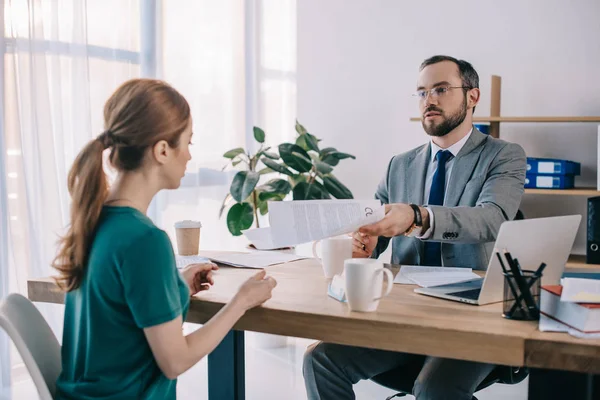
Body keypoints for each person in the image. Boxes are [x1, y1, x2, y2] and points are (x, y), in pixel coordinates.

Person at [303, 55, 526, 400]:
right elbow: (372, 232)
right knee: (320, 359)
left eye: (440, 89)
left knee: (433, 386)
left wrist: (418, 216)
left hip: (473, 316)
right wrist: (361, 242)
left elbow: (493, 218)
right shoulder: (399, 165)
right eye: (422, 92)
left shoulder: (503, 155)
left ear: (472, 97)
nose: (429, 100)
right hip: (407, 311)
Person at [52, 78, 277, 399]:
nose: (188, 156)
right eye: (187, 143)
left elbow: (118, 312)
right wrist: (240, 301)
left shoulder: (95, 220)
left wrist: (175, 286)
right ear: (161, 150)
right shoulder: (145, 240)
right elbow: (175, 361)